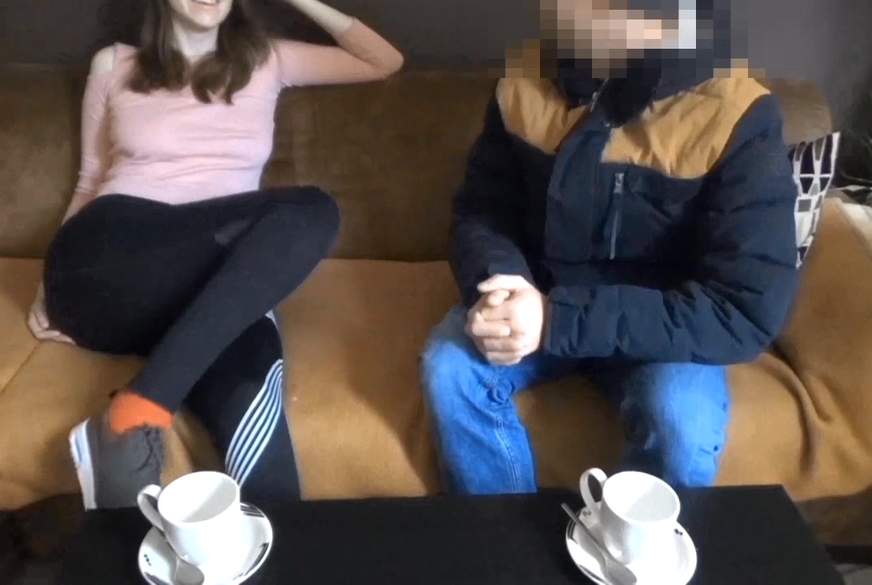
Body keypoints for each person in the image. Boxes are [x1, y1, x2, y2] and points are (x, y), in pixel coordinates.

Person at [27, 0, 403, 509]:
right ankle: (138, 413)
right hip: (110, 261)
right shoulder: (114, 63)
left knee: (251, 369)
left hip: (202, 289)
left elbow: (383, 61)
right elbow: (90, 179)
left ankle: (270, 537)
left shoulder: (269, 58)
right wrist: (46, 284)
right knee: (306, 213)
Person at [421, 0, 799, 494]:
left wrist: (558, 320)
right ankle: (503, 533)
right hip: (538, 296)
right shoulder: (524, 81)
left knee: (680, 425)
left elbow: (743, 310)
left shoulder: (738, 114)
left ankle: (624, 540)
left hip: (660, 323)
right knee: (449, 371)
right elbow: (483, 210)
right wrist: (500, 281)